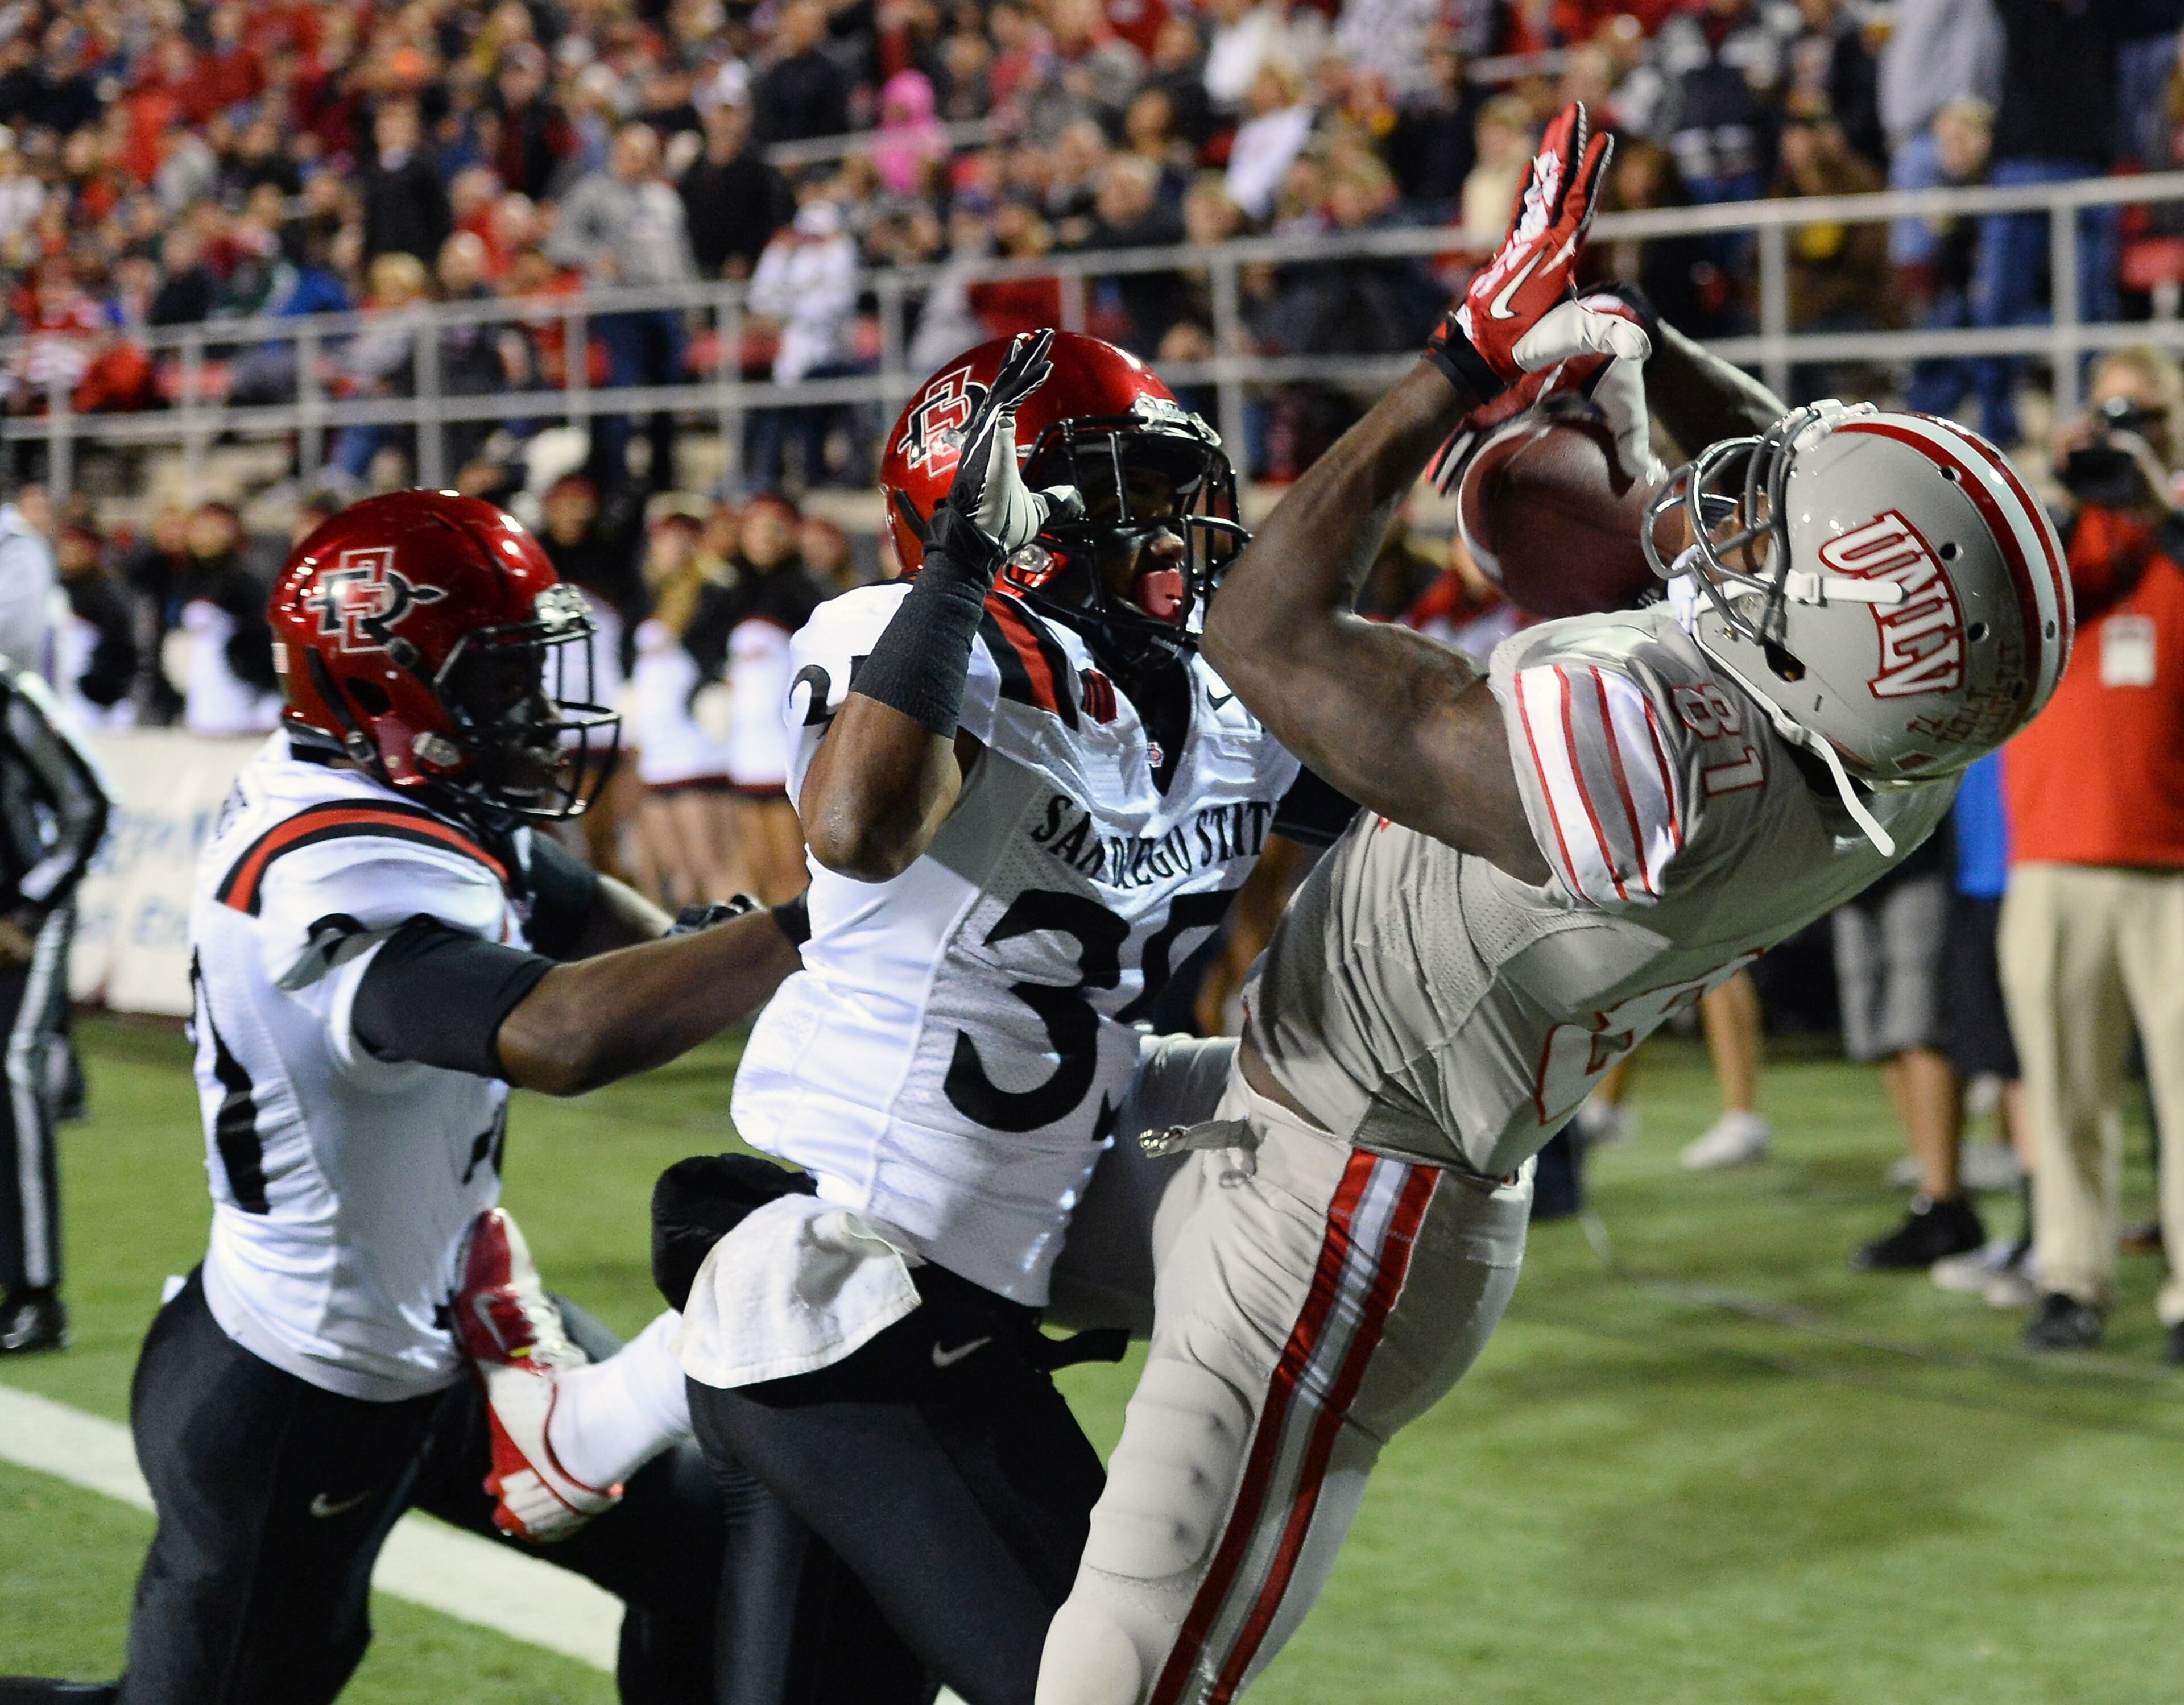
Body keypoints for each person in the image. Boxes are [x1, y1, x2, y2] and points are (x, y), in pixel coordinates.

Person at [1032, 105, 2073, 1703]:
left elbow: (1266, 632)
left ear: (1811, 634)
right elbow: (1812, 559)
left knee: (1119, 1674)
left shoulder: (1663, 761)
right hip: (1250, 1111)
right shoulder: (1892, 749)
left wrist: (1465, 352)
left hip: (1344, 1205)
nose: (1738, 498)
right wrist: (1639, 353)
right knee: (894, 1229)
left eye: (1767, 521)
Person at [31, 490, 824, 1703]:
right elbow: (560, 1034)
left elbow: (619, 940)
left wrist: (728, 945)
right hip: (304, 1387)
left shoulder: (409, 781)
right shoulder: (326, 860)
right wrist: (822, 920)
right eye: (500, 678)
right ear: (384, 685)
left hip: (457, 1322)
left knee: (715, 1548)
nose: (537, 708)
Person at [662, 332, 1326, 1703]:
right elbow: (855, 829)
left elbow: (1417, 801)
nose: (1172, 526)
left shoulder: (1202, 697)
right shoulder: (892, 636)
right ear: (1012, 515)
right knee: (1120, 1683)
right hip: (849, 1296)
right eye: (1129, 489)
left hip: (968, 1281)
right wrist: (956, 573)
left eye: (1169, 482)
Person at [2000, 345, 2184, 1355]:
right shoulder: (2064, 541)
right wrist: (2066, 480)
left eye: (2143, 412)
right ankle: (2072, 1276)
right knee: (2066, 1089)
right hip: (2056, 856)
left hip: (2175, 866)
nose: (2125, 431)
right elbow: (2007, 593)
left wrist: (2162, 494)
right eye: (2109, 413)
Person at [0, 652, 109, 1353]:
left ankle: (37, 1297)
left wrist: (30, 909)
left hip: (18, 914)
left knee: (13, 1068)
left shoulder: (9, 695)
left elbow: (90, 802)